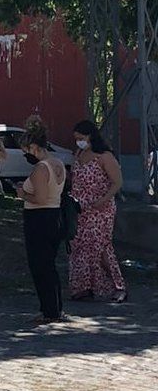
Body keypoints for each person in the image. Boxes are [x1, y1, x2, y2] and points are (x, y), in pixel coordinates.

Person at [14, 116, 67, 324]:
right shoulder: (59, 163)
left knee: (40, 266)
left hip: (39, 218)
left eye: (27, 150)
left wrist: (22, 194)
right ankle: (54, 308)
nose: (26, 154)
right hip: (54, 216)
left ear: (34, 147)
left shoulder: (40, 169)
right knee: (49, 265)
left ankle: (49, 310)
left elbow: (40, 198)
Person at [69, 120, 127, 303]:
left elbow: (117, 182)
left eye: (81, 138)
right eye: (76, 138)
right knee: (79, 247)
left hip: (101, 209)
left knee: (100, 246)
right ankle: (84, 287)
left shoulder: (105, 156)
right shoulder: (79, 153)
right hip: (80, 208)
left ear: (91, 136)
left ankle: (118, 286)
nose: (79, 141)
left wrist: (103, 200)